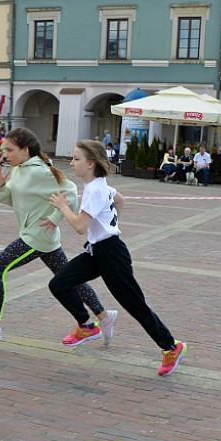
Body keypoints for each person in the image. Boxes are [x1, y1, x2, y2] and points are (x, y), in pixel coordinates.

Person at [0, 127, 116, 345]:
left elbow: (71, 192)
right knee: (70, 279)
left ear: (25, 150)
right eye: (4, 149)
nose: (5, 154)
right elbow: (15, 200)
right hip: (42, 237)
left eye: (10, 149)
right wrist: (2, 188)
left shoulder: (38, 171)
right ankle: (102, 317)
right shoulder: (19, 168)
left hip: (36, 236)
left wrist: (55, 217)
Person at [47, 140, 186, 375]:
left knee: (135, 304)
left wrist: (63, 207)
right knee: (59, 283)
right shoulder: (100, 185)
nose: (71, 163)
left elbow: (80, 227)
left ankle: (171, 347)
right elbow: (120, 199)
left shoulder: (94, 189)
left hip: (111, 255)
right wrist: (110, 226)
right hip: (98, 251)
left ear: (90, 163)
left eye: (76, 159)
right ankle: (87, 326)